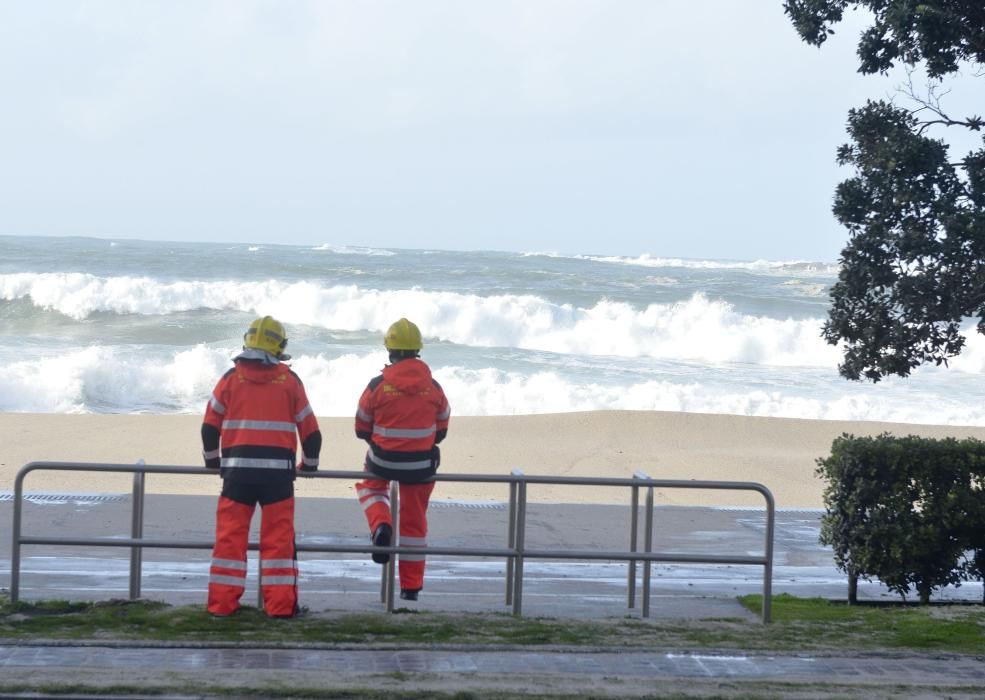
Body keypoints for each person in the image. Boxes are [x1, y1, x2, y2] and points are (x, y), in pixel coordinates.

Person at [201, 315, 321, 617]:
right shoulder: (290, 381)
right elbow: (312, 433)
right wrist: (309, 465)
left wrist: (212, 461)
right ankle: (280, 608)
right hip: (278, 479)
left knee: (230, 540)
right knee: (279, 544)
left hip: (237, 475)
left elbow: (208, 427)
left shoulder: (230, 379)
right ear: (279, 348)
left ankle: (221, 607)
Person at [354, 317, 450, 601]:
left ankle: (381, 524)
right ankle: (410, 589)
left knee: (370, 487)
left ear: (390, 351)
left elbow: (361, 427)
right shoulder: (433, 387)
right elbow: (442, 428)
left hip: (382, 461)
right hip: (421, 466)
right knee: (414, 522)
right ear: (417, 350)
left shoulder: (377, 386)